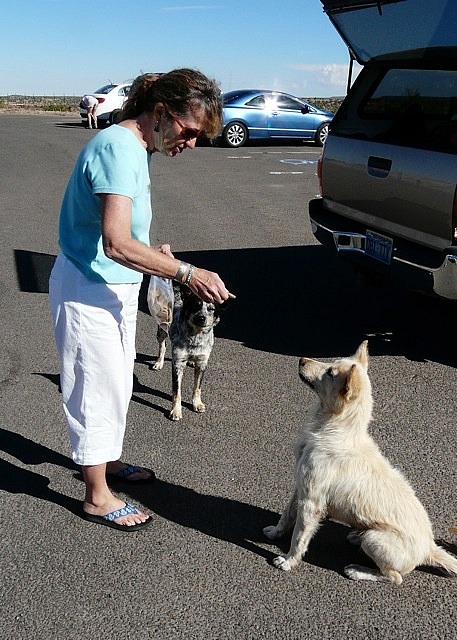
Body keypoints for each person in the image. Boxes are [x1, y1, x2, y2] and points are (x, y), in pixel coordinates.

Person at [49, 69, 230, 531]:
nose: (190, 143)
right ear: (162, 113)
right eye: (189, 131)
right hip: (89, 287)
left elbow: (127, 233)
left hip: (112, 285)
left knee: (116, 382)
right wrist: (188, 272)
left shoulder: (139, 148)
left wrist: (158, 256)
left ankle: (105, 463)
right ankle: (96, 495)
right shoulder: (118, 148)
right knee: (95, 385)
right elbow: (115, 243)